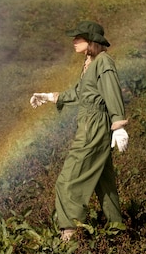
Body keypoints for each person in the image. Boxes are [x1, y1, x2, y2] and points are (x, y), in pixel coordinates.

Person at [30, 21, 128, 241]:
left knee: (67, 181)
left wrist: (119, 126)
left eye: (79, 38)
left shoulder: (103, 62)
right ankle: (117, 232)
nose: (74, 41)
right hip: (90, 124)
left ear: (91, 40)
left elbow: (112, 92)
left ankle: (70, 236)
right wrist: (48, 96)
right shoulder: (90, 62)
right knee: (105, 183)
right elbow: (79, 92)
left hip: (94, 126)